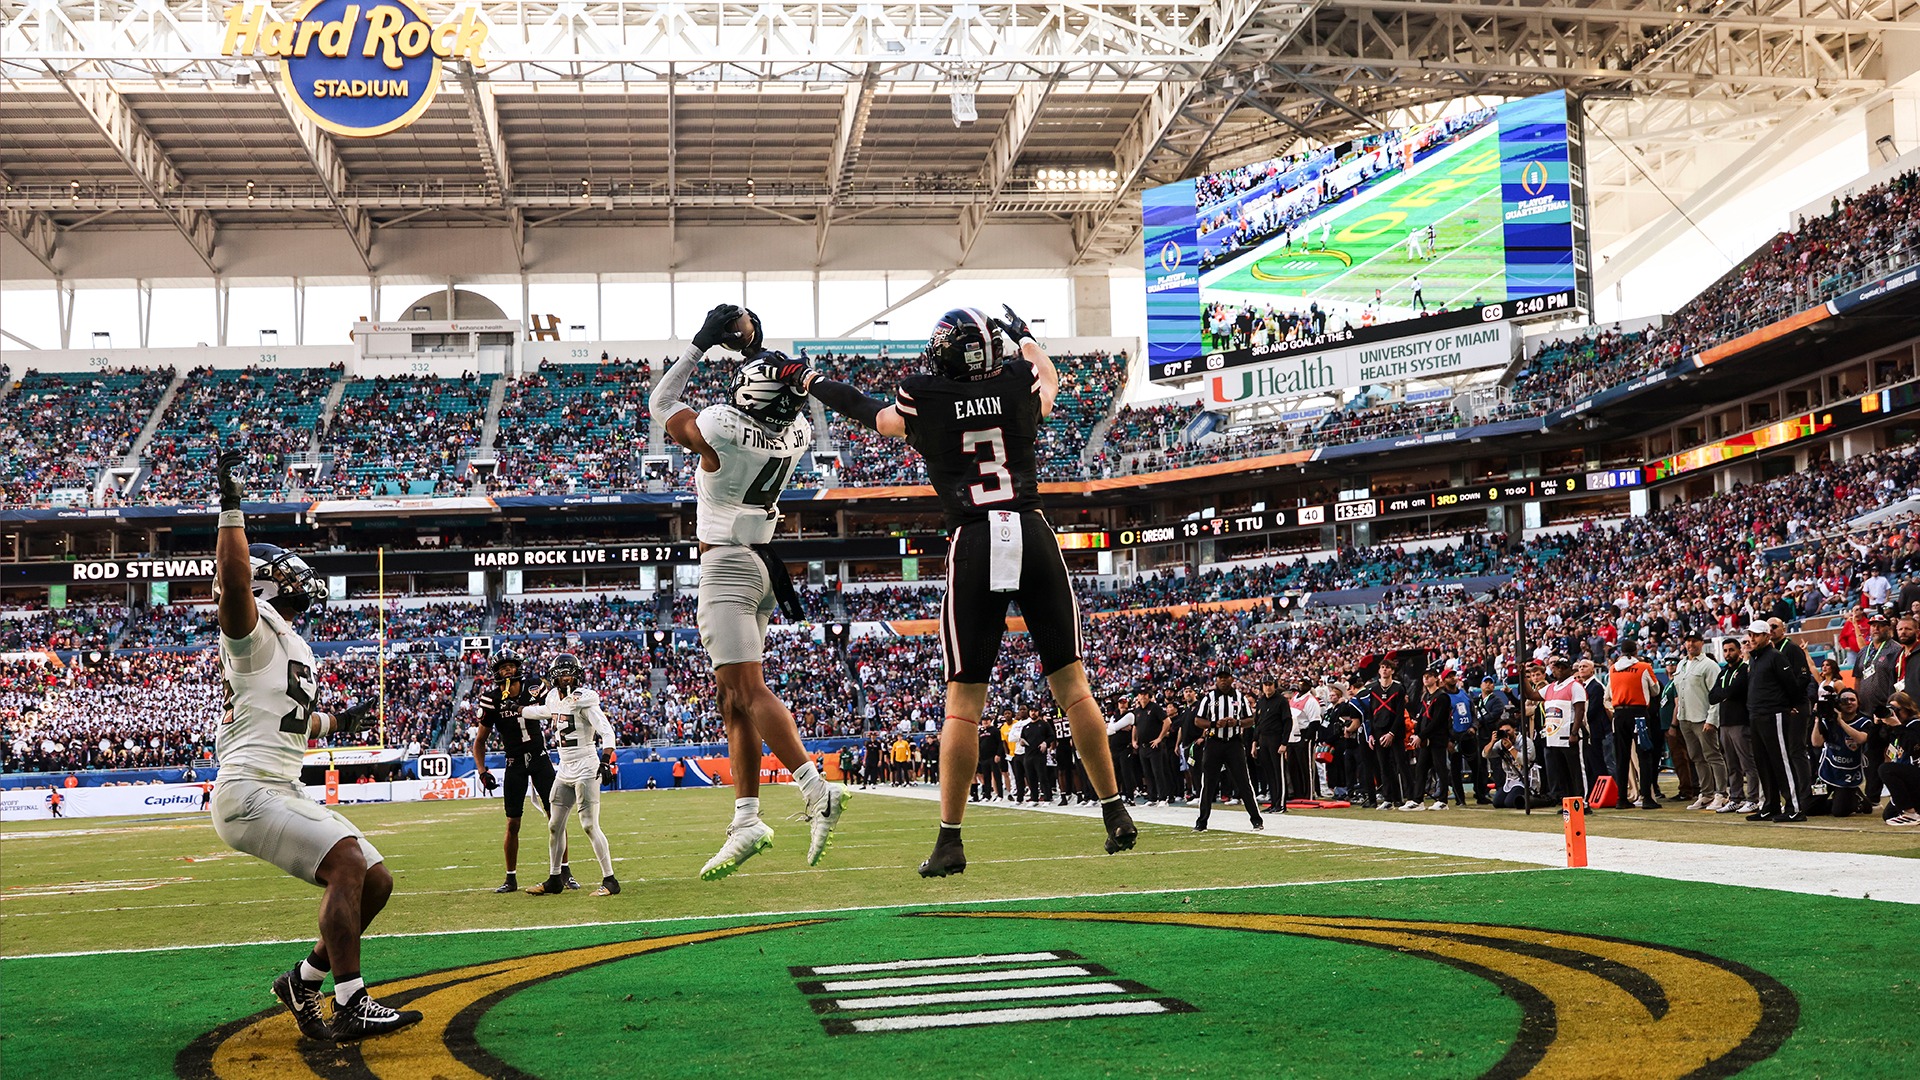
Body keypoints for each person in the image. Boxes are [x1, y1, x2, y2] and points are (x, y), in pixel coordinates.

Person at [792, 305, 1137, 875]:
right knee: (1073, 686)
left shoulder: (923, 394)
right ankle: (1114, 811)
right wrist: (1026, 335)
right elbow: (1048, 378)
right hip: (1032, 530)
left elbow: (866, 413)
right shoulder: (1015, 383)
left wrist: (811, 380)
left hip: (974, 538)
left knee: (964, 703)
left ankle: (950, 840)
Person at [207, 447, 419, 1042]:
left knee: (374, 880)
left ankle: (302, 979)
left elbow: (288, 720)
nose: (302, 582)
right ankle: (351, 1001)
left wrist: (335, 724)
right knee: (346, 864)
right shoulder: (249, 629)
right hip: (251, 790)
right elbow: (232, 580)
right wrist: (232, 511)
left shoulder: (285, 640)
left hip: (279, 783)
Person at [650, 303, 851, 880]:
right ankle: (746, 820)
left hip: (728, 565)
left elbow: (662, 404)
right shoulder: (798, 430)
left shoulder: (719, 427)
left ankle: (815, 787)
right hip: (761, 562)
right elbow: (774, 387)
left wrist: (698, 346)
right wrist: (754, 351)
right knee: (731, 699)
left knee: (748, 689)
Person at [472, 649, 575, 894]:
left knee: (556, 817)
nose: (507, 670)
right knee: (513, 823)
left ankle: (565, 872)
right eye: (502, 667)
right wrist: (481, 770)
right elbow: (480, 741)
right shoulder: (491, 698)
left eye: (511, 666)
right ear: (496, 672)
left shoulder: (535, 686)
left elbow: (556, 703)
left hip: (539, 758)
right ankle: (510, 878)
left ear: (518, 667)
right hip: (514, 761)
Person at [518, 654, 620, 897]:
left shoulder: (585, 699)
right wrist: (519, 709)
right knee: (554, 825)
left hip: (586, 764)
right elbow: (544, 711)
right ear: (554, 676)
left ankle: (610, 880)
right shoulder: (553, 697)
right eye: (562, 673)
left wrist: (605, 760)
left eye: (570, 672)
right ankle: (555, 879)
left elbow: (607, 731)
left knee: (589, 825)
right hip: (564, 767)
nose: (567, 677)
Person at [1744, 621, 1812, 822]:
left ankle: (1795, 808)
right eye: (1750, 635)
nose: (1753, 638)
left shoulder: (1776, 656)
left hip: (1773, 714)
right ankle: (1771, 805)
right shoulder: (1755, 659)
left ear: (1766, 636)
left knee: (1782, 761)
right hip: (1756, 715)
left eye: (1756, 635)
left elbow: (1791, 684)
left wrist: (1790, 705)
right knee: (1763, 762)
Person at [1194, 672, 1263, 832]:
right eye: (1220, 677)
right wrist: (1213, 724)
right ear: (1216, 679)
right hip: (1214, 743)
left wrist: (1237, 722)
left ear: (1232, 679)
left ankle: (1256, 820)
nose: (1223, 680)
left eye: (1226, 677)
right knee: (1208, 784)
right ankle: (1202, 822)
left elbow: (1251, 720)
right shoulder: (1209, 697)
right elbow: (1197, 720)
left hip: (1234, 744)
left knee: (1244, 782)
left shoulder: (1240, 697)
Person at [1670, 633, 1725, 811]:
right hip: (1686, 718)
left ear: (1702, 643)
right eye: (1688, 641)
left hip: (1702, 718)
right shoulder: (1682, 664)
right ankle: (1706, 793)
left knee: (1713, 755)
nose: (1691, 644)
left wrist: (1712, 719)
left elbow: (1716, 694)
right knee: (1696, 757)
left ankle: (1721, 793)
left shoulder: (1709, 665)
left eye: (1694, 641)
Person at [1609, 640, 1663, 808]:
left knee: (1622, 757)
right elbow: (1655, 690)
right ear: (1636, 651)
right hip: (1638, 713)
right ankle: (1647, 797)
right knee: (1644, 755)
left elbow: (1610, 692)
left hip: (1619, 714)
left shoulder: (1612, 669)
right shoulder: (1643, 667)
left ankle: (1622, 798)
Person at [1708, 636, 1758, 814]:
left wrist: (1725, 693)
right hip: (1725, 723)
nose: (1728, 653)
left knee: (1747, 762)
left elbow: (1736, 690)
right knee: (1732, 763)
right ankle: (1736, 797)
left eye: (1731, 650)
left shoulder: (1744, 670)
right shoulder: (1723, 672)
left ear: (1739, 651)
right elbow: (1712, 696)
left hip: (1740, 721)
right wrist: (1726, 693)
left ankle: (1753, 798)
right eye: (1726, 650)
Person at [1809, 687, 1871, 818]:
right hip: (1828, 771)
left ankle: (1857, 800)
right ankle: (1841, 801)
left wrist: (1840, 722)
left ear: (1858, 703)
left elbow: (1861, 739)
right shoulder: (1828, 720)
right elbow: (1816, 743)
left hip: (1849, 773)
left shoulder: (1864, 721)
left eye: (1852, 700)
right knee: (1808, 808)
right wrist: (1818, 719)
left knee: (1840, 812)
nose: (1849, 702)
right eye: (1844, 700)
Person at [1875, 692, 1920, 825]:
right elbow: (1873, 749)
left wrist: (1897, 726)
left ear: (1907, 709)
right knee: (1889, 815)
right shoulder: (1896, 729)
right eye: (1890, 709)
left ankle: (1910, 814)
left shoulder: (1916, 724)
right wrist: (1877, 725)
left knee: (1886, 769)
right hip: (1911, 779)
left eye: (1896, 710)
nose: (1894, 714)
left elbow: (1914, 746)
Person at [1255, 678, 1293, 812]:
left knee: (1279, 772)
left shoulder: (1281, 701)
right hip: (1263, 739)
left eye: (1270, 685)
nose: (1267, 687)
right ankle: (1273, 802)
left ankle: (1281, 804)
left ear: (1274, 686)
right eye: (1265, 685)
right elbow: (1257, 723)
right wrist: (1255, 742)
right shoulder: (1261, 701)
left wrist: (1284, 743)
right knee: (1269, 772)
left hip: (1276, 739)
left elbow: (1288, 722)